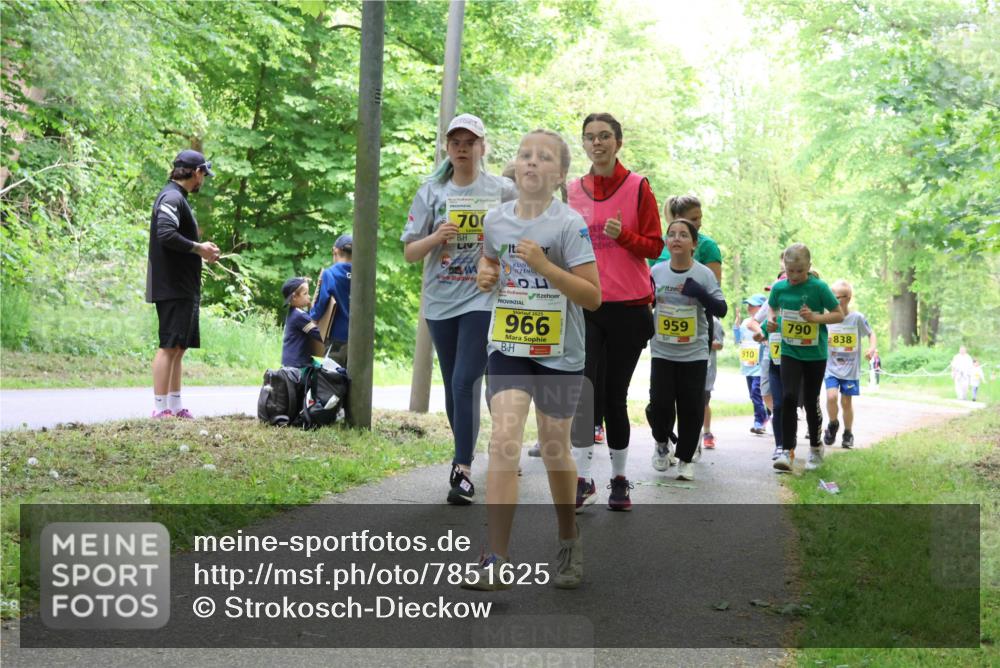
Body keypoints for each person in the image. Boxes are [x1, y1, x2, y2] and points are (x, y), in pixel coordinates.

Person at [462, 129, 600, 591]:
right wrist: (486, 274)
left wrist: (544, 266)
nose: (531, 162)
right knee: (504, 441)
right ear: (516, 168)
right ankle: (496, 559)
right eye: (525, 155)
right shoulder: (495, 221)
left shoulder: (569, 225)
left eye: (543, 158)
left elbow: (593, 296)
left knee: (555, 449)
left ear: (559, 174)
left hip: (560, 353)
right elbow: (491, 263)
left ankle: (568, 537)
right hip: (509, 347)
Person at [401, 114, 517, 505]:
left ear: (483, 147)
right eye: (456, 142)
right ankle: (465, 451)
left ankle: (462, 469)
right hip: (440, 300)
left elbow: (527, 230)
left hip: (483, 296)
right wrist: (437, 235)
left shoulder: (502, 190)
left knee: (466, 379)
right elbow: (409, 253)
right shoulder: (431, 192)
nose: (463, 148)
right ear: (447, 149)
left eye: (471, 141)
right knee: (454, 383)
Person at [567, 113, 663, 512]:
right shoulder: (572, 191)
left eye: (605, 136)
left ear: (618, 142)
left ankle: (620, 480)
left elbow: (655, 246)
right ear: (584, 144)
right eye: (590, 137)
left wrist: (622, 235)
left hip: (629, 307)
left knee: (613, 396)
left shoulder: (638, 186)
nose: (597, 143)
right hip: (586, 306)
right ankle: (582, 479)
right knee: (583, 392)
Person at [648, 219, 727, 481]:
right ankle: (662, 444)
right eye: (672, 234)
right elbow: (645, 304)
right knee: (659, 403)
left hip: (693, 351)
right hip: (662, 350)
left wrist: (701, 294)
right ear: (667, 242)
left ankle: (684, 457)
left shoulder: (703, 273)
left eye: (683, 235)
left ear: (694, 244)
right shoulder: (656, 271)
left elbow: (721, 309)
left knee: (691, 406)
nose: (677, 238)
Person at [146, 150, 220, 419]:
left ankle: (175, 406)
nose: (203, 181)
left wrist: (200, 250)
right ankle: (160, 408)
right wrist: (199, 248)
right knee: (168, 345)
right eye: (203, 175)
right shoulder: (172, 197)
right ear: (195, 172)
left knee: (180, 347)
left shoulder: (179, 199)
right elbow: (165, 233)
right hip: (171, 285)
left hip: (183, 286)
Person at [766, 243, 844, 472]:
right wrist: (772, 320)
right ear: (784, 266)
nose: (795, 276)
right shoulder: (780, 288)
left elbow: (838, 314)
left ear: (809, 266)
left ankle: (815, 447)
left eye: (800, 271)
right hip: (789, 350)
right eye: (790, 271)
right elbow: (772, 309)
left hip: (814, 353)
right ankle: (787, 451)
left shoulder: (819, 287)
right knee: (789, 397)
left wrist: (815, 318)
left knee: (810, 400)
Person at [822, 279, 876, 449]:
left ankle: (848, 433)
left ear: (848, 298)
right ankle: (832, 424)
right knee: (831, 397)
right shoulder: (827, 318)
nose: (835, 299)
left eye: (839, 296)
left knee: (846, 402)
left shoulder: (856, 318)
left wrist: (872, 348)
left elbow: (871, 333)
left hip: (851, 369)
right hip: (831, 367)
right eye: (833, 296)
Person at [650, 194, 723, 285]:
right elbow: (649, 283)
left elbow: (715, 289)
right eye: (694, 219)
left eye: (700, 218)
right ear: (678, 218)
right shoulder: (658, 244)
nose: (699, 223)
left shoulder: (707, 246)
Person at [310, 234, 352, 366]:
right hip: (358, 337)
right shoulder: (362, 275)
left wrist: (313, 318)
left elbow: (322, 301)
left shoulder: (330, 273)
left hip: (336, 336)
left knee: (332, 377)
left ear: (336, 251)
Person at [739, 295, 769, 434]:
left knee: (757, 392)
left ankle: (759, 421)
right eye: (748, 304)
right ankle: (766, 417)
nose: (749, 307)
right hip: (748, 366)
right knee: (753, 395)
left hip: (760, 364)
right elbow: (740, 340)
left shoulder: (764, 322)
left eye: (753, 305)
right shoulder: (745, 322)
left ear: (762, 307)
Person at [281, 277, 324, 368]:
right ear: (294, 297)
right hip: (297, 365)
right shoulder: (299, 316)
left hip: (290, 363)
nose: (309, 296)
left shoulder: (293, 312)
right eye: (305, 294)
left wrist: (310, 306)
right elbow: (320, 335)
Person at [702, 316, 725, 451]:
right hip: (687, 363)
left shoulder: (714, 321)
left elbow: (720, 344)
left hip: (707, 368)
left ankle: (707, 433)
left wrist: (702, 341)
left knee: (704, 402)